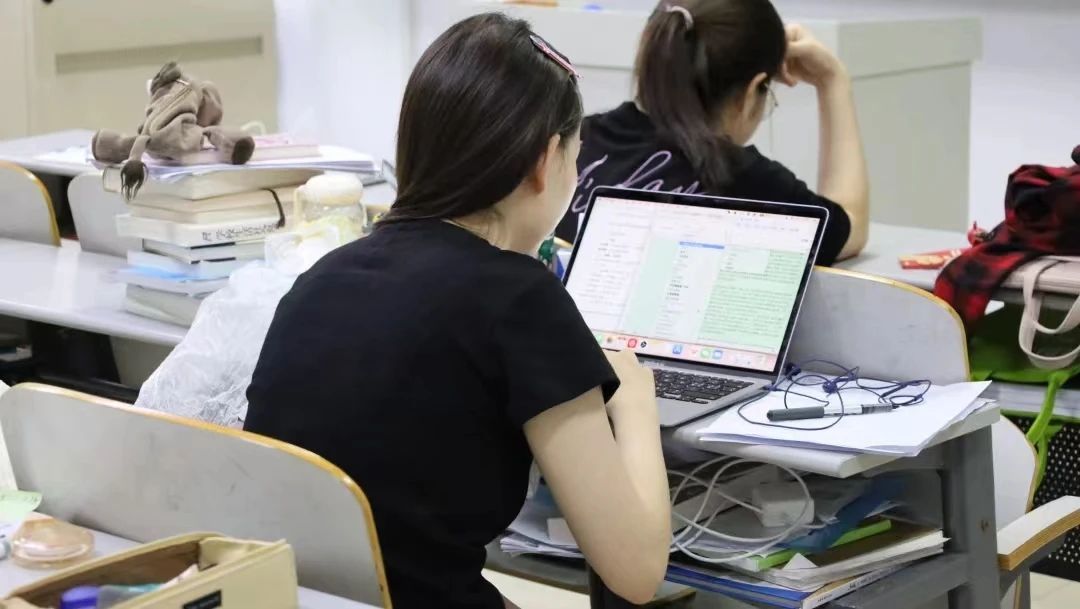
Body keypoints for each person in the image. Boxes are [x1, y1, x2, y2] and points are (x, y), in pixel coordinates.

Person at [244, 14, 671, 609]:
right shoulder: (521, 297)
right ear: (545, 160)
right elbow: (638, 572)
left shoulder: (322, 278)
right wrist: (635, 401)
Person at [556, 0, 870, 265]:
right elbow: (850, 226)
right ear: (751, 94)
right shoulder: (748, 182)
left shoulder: (572, 141)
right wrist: (832, 81)